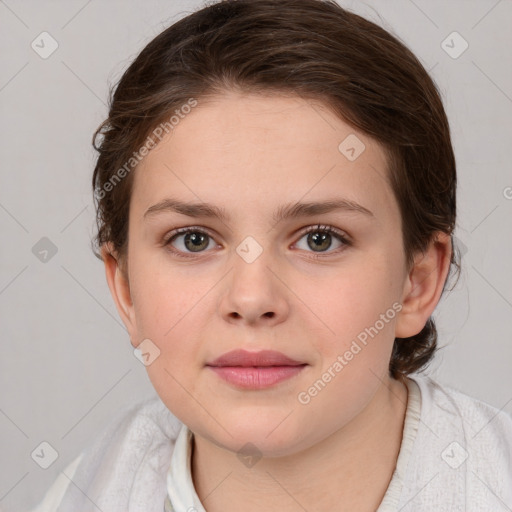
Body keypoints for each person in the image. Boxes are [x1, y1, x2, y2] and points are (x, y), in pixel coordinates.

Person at [31, 0, 512, 510]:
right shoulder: (88, 489)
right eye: (193, 239)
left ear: (416, 281)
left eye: (320, 239)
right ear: (125, 289)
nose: (252, 298)